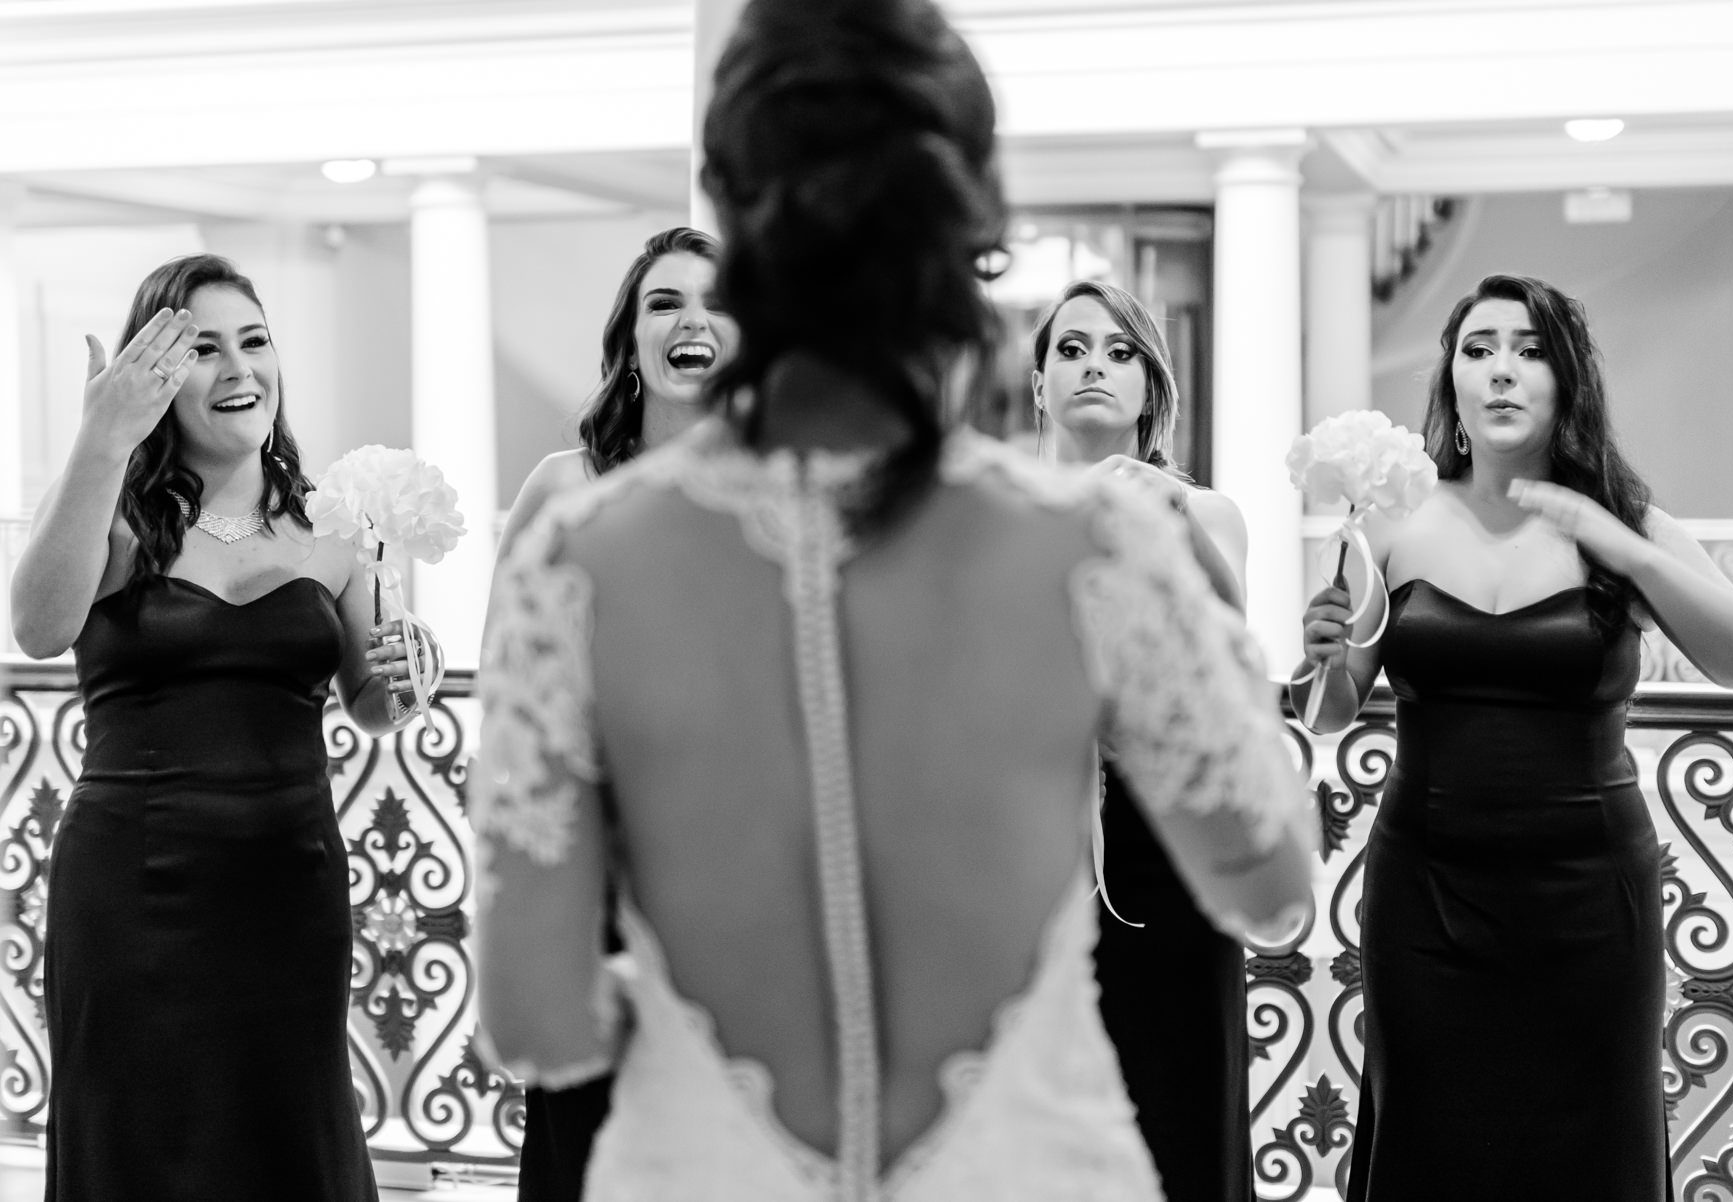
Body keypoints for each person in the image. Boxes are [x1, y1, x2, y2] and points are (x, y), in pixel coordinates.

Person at [470, 0, 1317, 1198]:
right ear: (971, 223)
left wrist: (684, 1019)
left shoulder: (579, 557)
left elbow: (535, 1022)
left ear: (736, 214)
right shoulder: (1097, 543)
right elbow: (1272, 889)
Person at [1292, 273, 1733, 1201]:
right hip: (1424, 898)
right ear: (1452, 381)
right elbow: (1330, 709)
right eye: (1478, 350)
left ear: (1568, 380)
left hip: (1590, 904)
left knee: (1589, 1155)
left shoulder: (1625, 523)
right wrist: (1317, 655)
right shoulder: (1391, 523)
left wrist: (1623, 549)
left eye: (1529, 351)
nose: (1502, 371)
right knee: (1432, 1145)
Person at [9, 253, 419, 1200]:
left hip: (289, 886)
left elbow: (371, 700)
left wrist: (411, 678)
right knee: (139, 1142)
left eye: (254, 341)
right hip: (133, 889)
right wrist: (100, 440)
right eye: (203, 349)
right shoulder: (113, 513)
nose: (239, 368)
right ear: (154, 376)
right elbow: (37, 627)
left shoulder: (335, 525)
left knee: (290, 1139)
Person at [493, 225, 738, 1202]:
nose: (691, 322)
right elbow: (509, 695)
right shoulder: (564, 486)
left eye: (716, 302)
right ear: (631, 340)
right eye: (664, 303)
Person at [1032, 277, 1256, 1200]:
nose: (1095, 366)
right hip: (1031, 854)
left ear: (1150, 389)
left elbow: (1236, 659)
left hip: (1164, 852)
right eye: (1072, 348)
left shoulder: (1205, 513)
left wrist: (1171, 518)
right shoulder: (996, 517)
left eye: (1120, 352)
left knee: (1178, 1116)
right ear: (1039, 382)